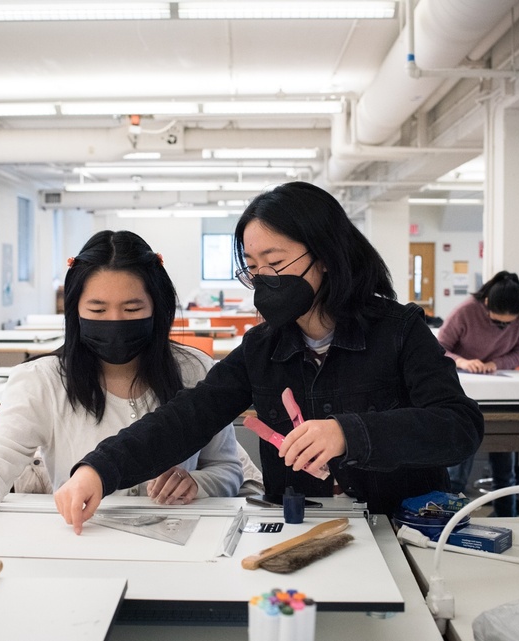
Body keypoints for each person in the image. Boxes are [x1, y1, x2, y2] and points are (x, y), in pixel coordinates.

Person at [57, 181, 485, 533]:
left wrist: (348, 433)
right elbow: (187, 417)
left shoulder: (399, 331)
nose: (263, 279)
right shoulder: (264, 347)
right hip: (301, 533)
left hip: (401, 528)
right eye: (252, 266)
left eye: (275, 262)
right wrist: (99, 469)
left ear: (327, 257)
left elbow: (458, 427)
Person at [0, 230, 249, 521]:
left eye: (132, 308)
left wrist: (198, 483)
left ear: (157, 309)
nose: (115, 320)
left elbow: (228, 469)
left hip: (178, 543)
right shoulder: (42, 379)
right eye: (97, 309)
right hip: (81, 541)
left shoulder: (196, 372)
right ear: (75, 311)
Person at [438, 271, 519, 517]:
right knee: (458, 469)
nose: (503, 327)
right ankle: (449, 520)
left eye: (508, 324)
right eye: (498, 322)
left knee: (505, 470)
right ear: (487, 303)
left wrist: (497, 363)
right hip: (463, 393)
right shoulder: (465, 311)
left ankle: (508, 521)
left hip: (501, 393)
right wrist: (463, 362)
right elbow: (438, 349)